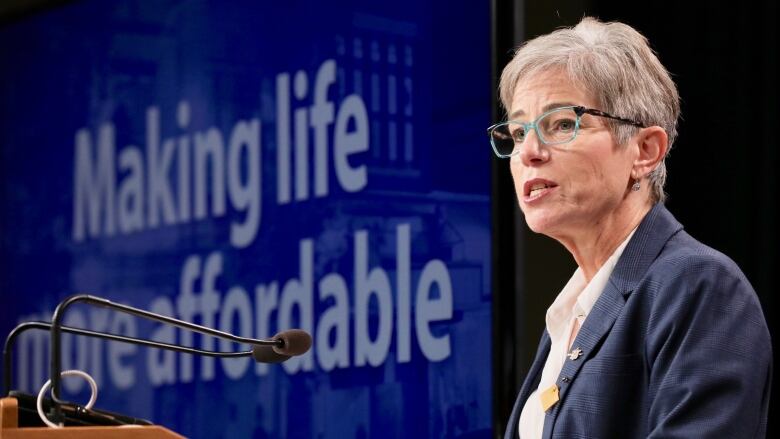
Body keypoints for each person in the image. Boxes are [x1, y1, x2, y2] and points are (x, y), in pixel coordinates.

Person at [489, 17, 772, 438]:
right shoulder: (570, 311)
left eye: (562, 124)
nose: (528, 151)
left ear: (645, 150)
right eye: (517, 131)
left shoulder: (698, 286)